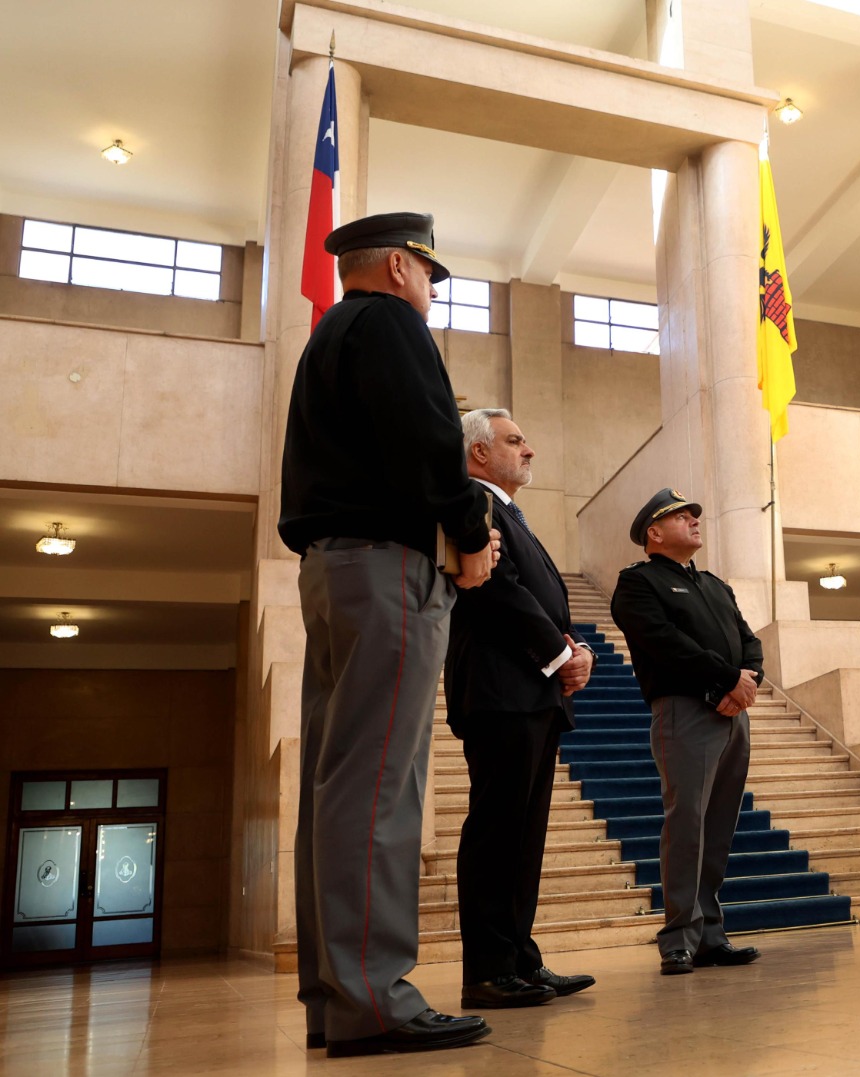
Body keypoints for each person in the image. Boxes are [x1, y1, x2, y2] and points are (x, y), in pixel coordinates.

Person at [279, 211, 500, 1055]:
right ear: (403, 267)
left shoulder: (330, 334)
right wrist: (472, 530)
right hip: (385, 570)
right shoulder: (392, 325)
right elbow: (429, 441)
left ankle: (333, 996)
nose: (432, 292)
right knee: (379, 784)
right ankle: (373, 998)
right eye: (429, 275)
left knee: (337, 786)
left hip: (334, 570)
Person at [443, 409, 599, 1009]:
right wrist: (560, 654)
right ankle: (487, 971)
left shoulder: (509, 512)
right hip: (500, 691)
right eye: (515, 441)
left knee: (523, 837)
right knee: (497, 831)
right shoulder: (476, 504)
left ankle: (519, 961)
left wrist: (577, 649)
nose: (529, 450)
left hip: (530, 691)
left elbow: (543, 599)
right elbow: (497, 590)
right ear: (480, 453)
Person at [609, 490, 764, 976]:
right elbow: (664, 643)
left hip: (733, 714)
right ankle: (678, 937)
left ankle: (710, 936)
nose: (694, 520)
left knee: (718, 828)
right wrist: (725, 680)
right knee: (687, 826)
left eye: (694, 514)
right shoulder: (638, 583)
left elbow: (750, 642)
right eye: (680, 516)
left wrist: (746, 681)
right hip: (684, 711)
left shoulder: (714, 585)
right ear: (654, 533)